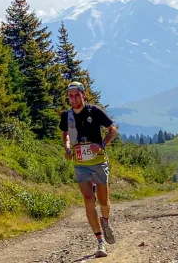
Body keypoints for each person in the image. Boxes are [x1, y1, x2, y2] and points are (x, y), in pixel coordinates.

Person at [60, 81, 118, 258]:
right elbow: (65, 134)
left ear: (84, 95)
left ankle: (105, 221)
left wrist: (101, 145)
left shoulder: (95, 111)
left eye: (77, 95)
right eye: (71, 96)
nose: (74, 99)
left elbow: (112, 130)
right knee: (87, 200)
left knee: (103, 202)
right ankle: (100, 241)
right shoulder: (67, 116)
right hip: (80, 164)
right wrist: (68, 149)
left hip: (98, 162)